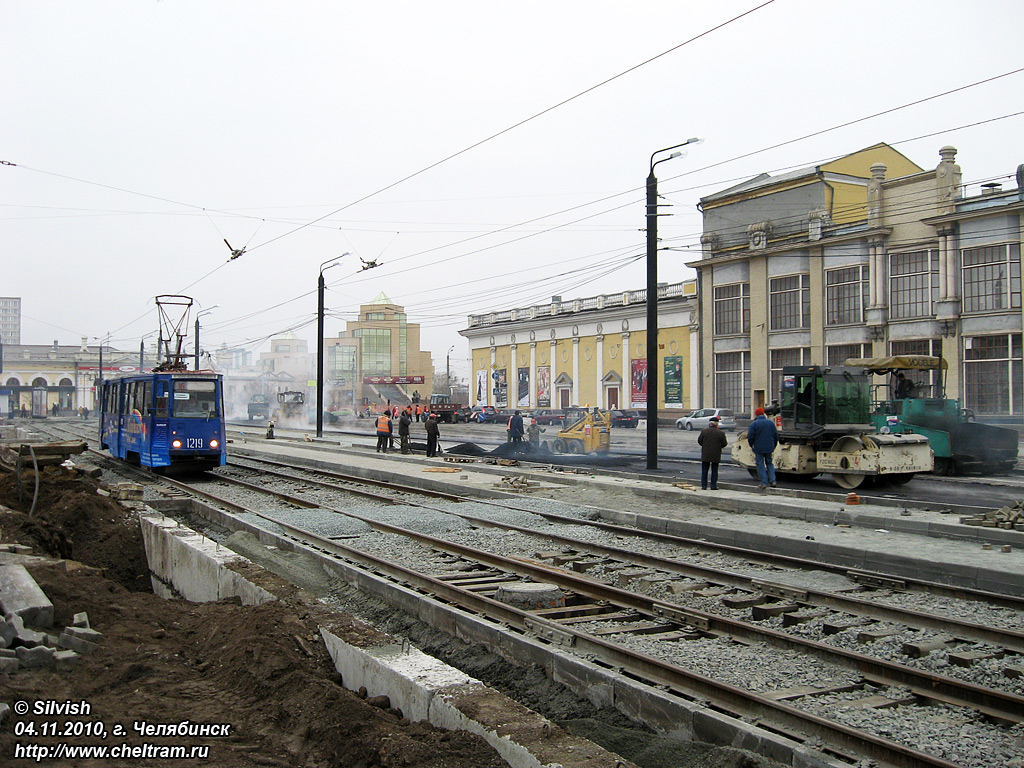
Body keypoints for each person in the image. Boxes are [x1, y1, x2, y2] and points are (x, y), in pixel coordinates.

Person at [747, 406, 779, 490]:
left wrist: (752, 445)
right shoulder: (770, 423)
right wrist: (774, 445)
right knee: (770, 463)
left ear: (756, 414)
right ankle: (773, 481)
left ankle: (764, 482)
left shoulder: (754, 424)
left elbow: (750, 436)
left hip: (759, 447)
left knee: (760, 464)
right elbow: (776, 435)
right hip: (769, 446)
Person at [697, 416, 728, 490]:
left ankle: (704, 486)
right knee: (714, 470)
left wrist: (705, 445)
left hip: (705, 453)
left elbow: (699, 441)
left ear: (710, 424)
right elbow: (724, 443)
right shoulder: (721, 433)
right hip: (716, 454)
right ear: (717, 424)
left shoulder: (704, 431)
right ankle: (713, 486)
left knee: (704, 470)